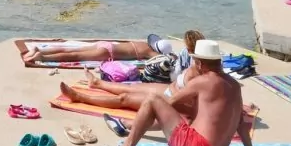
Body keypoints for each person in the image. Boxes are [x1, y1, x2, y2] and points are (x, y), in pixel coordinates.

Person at [101, 39, 272, 146]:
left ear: (199, 63)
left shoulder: (202, 81)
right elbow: (241, 123)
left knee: (152, 100)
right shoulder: (234, 85)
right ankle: (126, 126)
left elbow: (168, 102)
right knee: (189, 112)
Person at [59, 30, 207, 110]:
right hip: (170, 89)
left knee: (125, 98)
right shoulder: (192, 60)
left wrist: (164, 104)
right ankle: (97, 83)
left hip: (175, 97)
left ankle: (79, 97)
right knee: (132, 87)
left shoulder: (201, 70)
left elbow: (188, 96)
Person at [23, 35, 164, 66]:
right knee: (76, 55)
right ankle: (43, 57)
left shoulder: (142, 44)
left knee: (72, 49)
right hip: (108, 52)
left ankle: (40, 50)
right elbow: (161, 59)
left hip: (106, 44)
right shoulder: (149, 52)